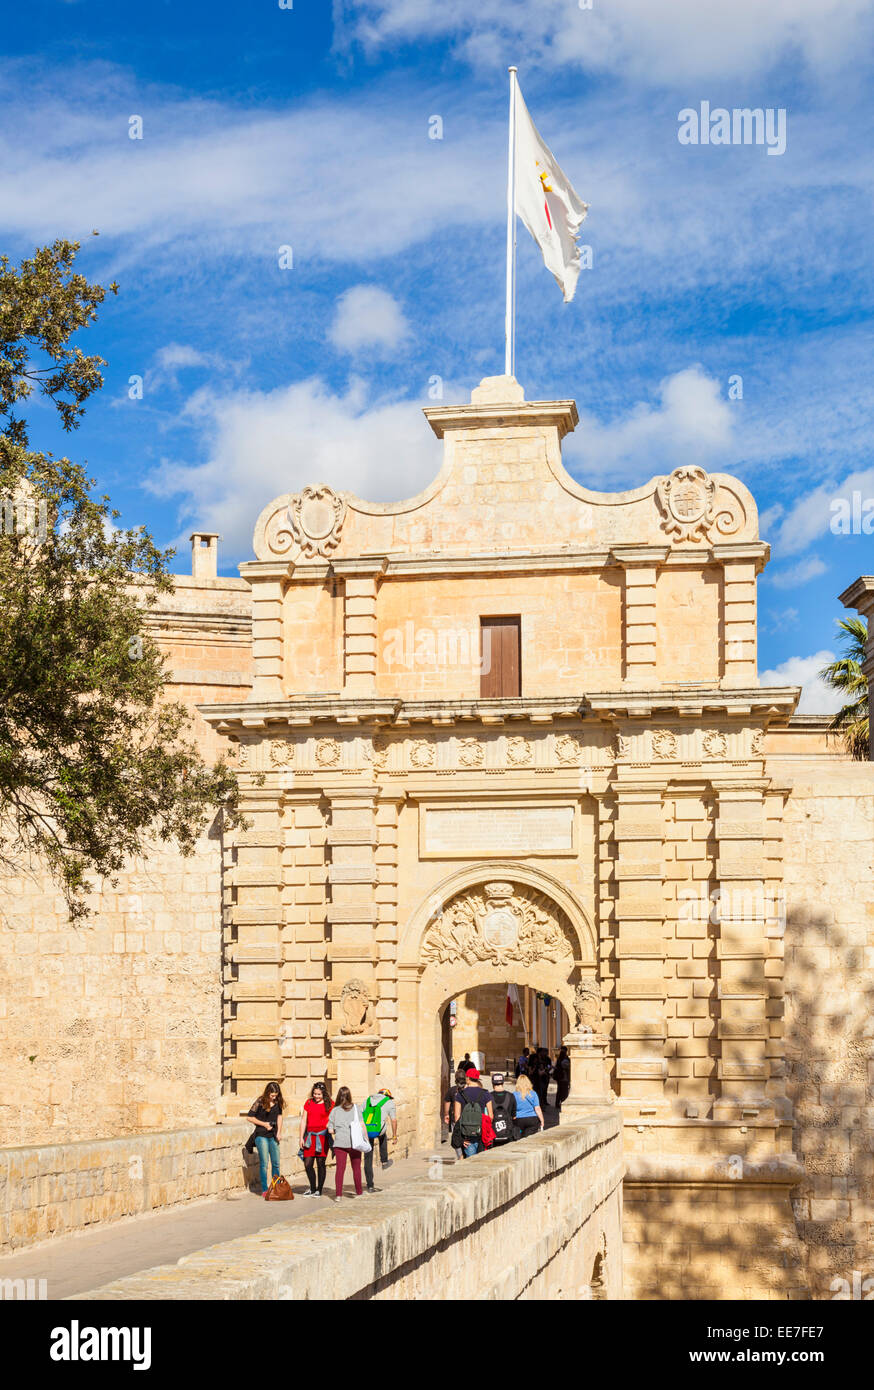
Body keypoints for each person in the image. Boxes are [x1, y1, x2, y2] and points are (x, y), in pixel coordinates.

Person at [327, 1085, 366, 1199]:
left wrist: (338, 1129)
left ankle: (338, 1195)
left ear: (339, 1096)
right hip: (355, 1142)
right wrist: (366, 1139)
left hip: (340, 1143)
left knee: (340, 1169)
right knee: (356, 1168)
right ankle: (359, 1192)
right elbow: (362, 1125)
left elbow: (330, 1130)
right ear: (349, 1096)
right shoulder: (356, 1108)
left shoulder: (334, 1111)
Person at [247, 1081, 284, 1196]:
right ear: (267, 1092)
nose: (273, 1097)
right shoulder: (260, 1101)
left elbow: (280, 1117)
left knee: (276, 1163)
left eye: (275, 1095)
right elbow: (250, 1117)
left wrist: (279, 1132)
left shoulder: (278, 1102)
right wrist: (264, 1124)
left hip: (273, 1135)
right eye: (272, 1095)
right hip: (261, 1135)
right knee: (264, 1163)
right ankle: (264, 1189)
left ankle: (275, 1187)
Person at [299, 1081, 332, 1197]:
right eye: (315, 1094)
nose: (316, 1096)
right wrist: (301, 1138)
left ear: (323, 1094)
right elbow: (303, 1120)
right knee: (308, 1164)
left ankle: (319, 1189)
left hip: (323, 1137)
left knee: (321, 1163)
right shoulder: (308, 1103)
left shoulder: (330, 1104)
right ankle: (312, 1188)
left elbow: (334, 1119)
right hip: (309, 1137)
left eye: (319, 1094)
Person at [361, 1086, 397, 1193]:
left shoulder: (367, 1100)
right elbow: (393, 1121)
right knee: (383, 1134)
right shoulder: (389, 1102)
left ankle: (370, 1185)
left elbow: (360, 1115)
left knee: (368, 1157)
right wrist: (394, 1136)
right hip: (378, 1130)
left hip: (366, 1131)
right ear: (388, 1096)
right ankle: (384, 1161)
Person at [452, 1068, 493, 1158]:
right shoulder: (486, 1093)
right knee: (481, 1159)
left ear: (468, 1079)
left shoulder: (460, 1094)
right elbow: (491, 1116)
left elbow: (456, 1116)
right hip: (481, 1132)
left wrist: (461, 1137)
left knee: (470, 1160)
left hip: (467, 1133)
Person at [512, 1074, 544, 1140]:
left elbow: (512, 1108)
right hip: (532, 1119)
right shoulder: (533, 1093)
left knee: (519, 1139)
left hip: (518, 1119)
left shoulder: (514, 1094)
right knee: (529, 1139)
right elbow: (537, 1108)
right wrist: (542, 1120)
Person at [490, 1072, 517, 1145]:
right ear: (503, 1083)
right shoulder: (511, 1096)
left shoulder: (488, 1096)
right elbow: (514, 1116)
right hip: (508, 1133)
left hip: (493, 1134)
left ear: (492, 1083)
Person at [444, 1065, 469, 1137]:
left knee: (457, 1139)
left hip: (455, 1118)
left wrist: (446, 1114)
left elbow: (447, 1104)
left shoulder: (452, 1090)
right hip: (468, 1118)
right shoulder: (470, 1090)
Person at [554, 1047, 571, 1112]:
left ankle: (558, 1103)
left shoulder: (559, 1059)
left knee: (560, 1090)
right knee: (564, 1091)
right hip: (563, 1077)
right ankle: (562, 1102)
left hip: (561, 1077)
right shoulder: (565, 1058)